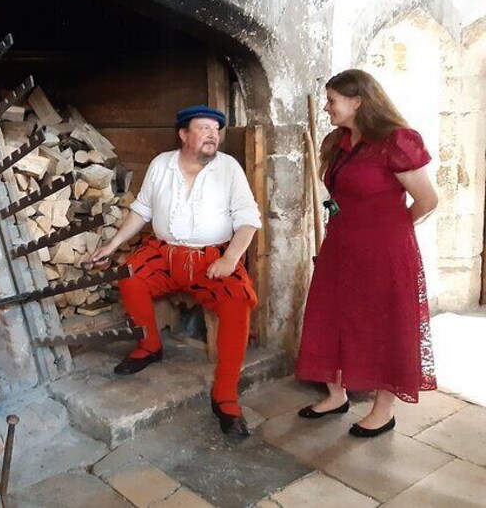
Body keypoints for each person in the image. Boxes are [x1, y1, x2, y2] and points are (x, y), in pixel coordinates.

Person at [89, 104, 261, 437]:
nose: (213, 135)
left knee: (238, 300)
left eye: (216, 129)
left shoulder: (228, 168)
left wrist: (230, 260)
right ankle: (150, 346)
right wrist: (110, 246)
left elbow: (248, 220)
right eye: (204, 128)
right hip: (164, 254)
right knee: (130, 276)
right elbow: (141, 211)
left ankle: (225, 394)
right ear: (183, 134)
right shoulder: (161, 165)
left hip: (211, 258)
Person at [295, 69, 439, 438]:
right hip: (340, 246)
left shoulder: (397, 141)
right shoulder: (339, 141)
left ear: (357, 101)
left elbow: (427, 199)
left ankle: (382, 410)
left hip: (385, 251)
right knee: (331, 316)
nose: (327, 107)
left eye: (332, 100)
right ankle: (336, 394)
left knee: (384, 324)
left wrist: (390, 229)